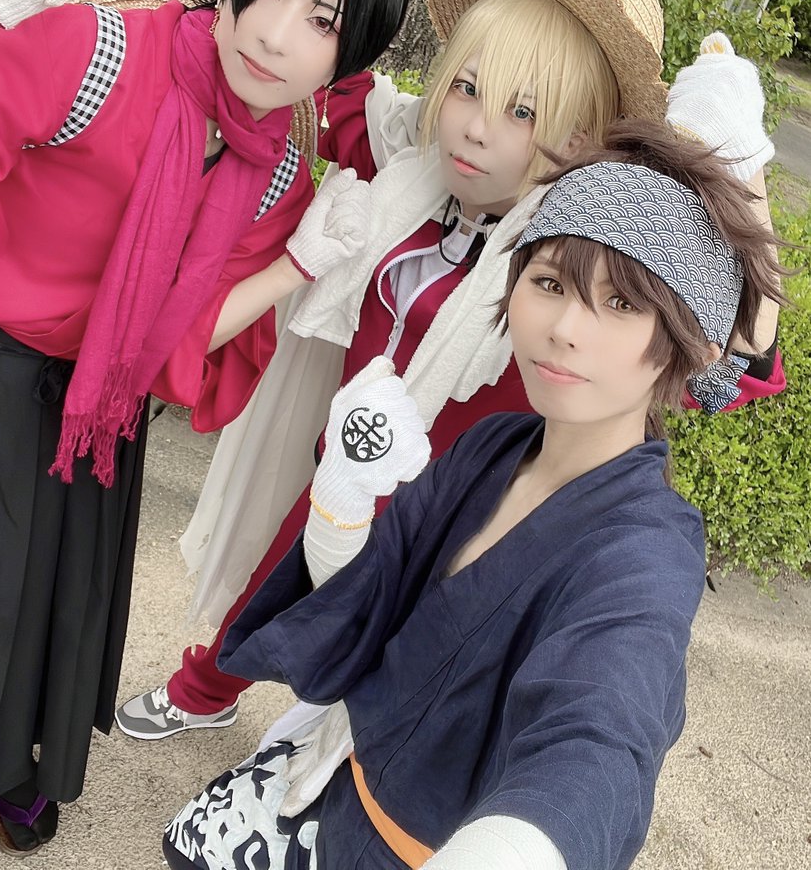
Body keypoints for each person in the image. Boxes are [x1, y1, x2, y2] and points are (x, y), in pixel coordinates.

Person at [116, 0, 784, 742]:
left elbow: (725, 367)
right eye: (466, 88)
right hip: (343, 462)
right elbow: (332, 87)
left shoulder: (581, 256)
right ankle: (207, 688)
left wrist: (742, 167)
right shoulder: (408, 165)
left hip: (453, 516)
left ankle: (331, 769)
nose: (471, 128)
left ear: (579, 136)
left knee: (392, 683)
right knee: (278, 574)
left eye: (521, 112)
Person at [161, 119, 785, 870]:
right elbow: (364, 602)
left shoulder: (646, 555)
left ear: (694, 344)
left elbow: (598, 741)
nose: (564, 328)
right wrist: (341, 499)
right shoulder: (491, 447)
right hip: (332, 791)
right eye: (549, 283)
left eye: (622, 304)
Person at [0, 0, 412, 855]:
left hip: (98, 409)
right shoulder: (95, 52)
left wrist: (298, 264)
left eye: (323, 21)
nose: (275, 35)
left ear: (349, 53)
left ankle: (10, 759)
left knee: (48, 605)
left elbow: (180, 334)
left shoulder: (281, 170)